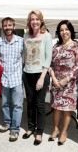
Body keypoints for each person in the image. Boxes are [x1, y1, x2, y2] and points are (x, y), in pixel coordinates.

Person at [49, 20, 78, 146]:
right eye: (61, 30)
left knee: (67, 109)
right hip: (56, 81)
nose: (64, 32)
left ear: (71, 31)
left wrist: (66, 79)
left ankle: (64, 131)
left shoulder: (77, 47)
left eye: (66, 29)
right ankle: (56, 128)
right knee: (56, 107)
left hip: (69, 83)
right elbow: (50, 64)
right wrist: (53, 78)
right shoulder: (55, 47)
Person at [22, 10, 52, 146]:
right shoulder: (26, 36)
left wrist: (42, 78)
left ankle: (39, 132)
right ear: (29, 21)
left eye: (37, 19)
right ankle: (30, 127)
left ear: (41, 21)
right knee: (30, 102)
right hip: (27, 73)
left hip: (41, 74)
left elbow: (48, 58)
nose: (34, 21)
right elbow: (24, 54)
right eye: (32, 19)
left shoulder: (46, 36)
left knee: (39, 104)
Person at [0, 17, 24, 142]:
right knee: (5, 103)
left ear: (14, 26)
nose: (8, 27)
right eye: (5, 25)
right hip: (4, 79)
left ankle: (15, 130)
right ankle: (7, 123)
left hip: (17, 79)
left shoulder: (21, 41)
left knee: (17, 105)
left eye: (10, 25)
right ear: (2, 27)